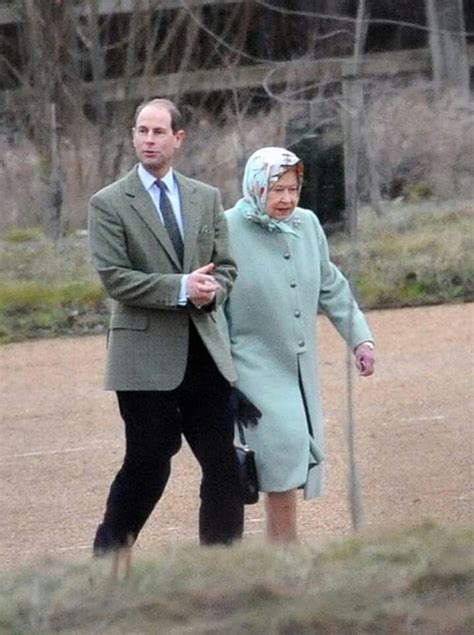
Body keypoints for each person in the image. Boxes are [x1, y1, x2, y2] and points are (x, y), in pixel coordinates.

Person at [88, 98, 244, 555]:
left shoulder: (206, 196)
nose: (148, 140)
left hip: (205, 353)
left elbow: (228, 267)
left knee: (224, 466)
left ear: (179, 138)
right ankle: (109, 558)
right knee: (150, 462)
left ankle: (221, 569)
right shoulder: (108, 203)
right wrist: (180, 287)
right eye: (141, 131)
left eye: (158, 132)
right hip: (143, 362)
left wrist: (214, 289)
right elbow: (115, 278)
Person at [222, 147, 375, 543]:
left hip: (298, 368)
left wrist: (360, 339)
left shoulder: (307, 224)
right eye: (277, 190)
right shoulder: (225, 229)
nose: (287, 199)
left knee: (286, 465)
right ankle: (285, 558)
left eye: (293, 189)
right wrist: (222, 375)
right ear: (256, 186)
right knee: (282, 457)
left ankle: (282, 556)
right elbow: (214, 306)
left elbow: (332, 286)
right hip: (250, 366)